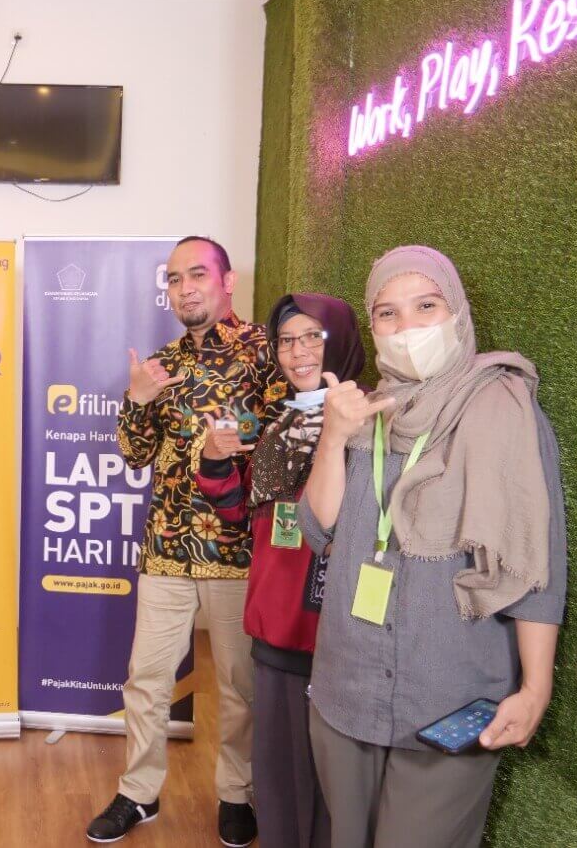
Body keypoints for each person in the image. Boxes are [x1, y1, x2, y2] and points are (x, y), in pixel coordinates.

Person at [300, 246, 567, 848]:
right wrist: (333, 439)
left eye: (426, 307)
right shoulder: (362, 411)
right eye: (388, 313)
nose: (408, 327)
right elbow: (318, 532)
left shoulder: (503, 410)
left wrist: (535, 687)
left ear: (458, 313)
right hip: (346, 692)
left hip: (449, 699)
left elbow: (535, 562)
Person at [86, 236, 285, 847]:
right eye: (174, 279)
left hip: (237, 550)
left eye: (197, 274)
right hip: (166, 548)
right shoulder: (160, 363)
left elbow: (285, 445)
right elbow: (135, 455)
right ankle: (138, 793)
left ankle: (236, 794)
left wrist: (236, 450)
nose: (184, 288)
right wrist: (136, 400)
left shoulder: (266, 353)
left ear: (227, 281)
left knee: (239, 686)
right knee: (146, 679)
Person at [196, 292, 364, 848]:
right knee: (278, 772)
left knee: (329, 782)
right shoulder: (282, 420)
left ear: (341, 339)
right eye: (286, 341)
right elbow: (246, 515)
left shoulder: (364, 422)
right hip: (273, 618)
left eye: (313, 336)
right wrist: (216, 462)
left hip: (329, 628)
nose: (298, 352)